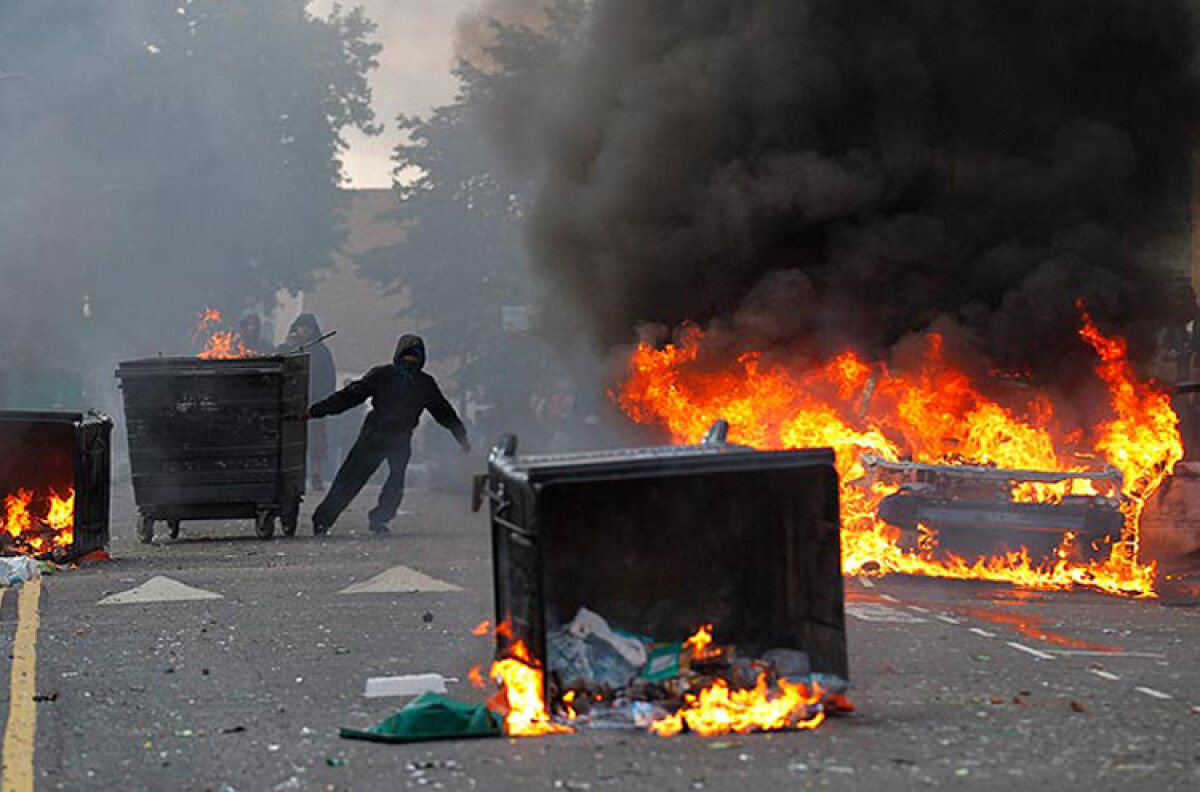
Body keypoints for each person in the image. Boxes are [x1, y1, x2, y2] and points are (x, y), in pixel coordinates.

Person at [306, 334, 470, 535]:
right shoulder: (382, 375)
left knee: (395, 480)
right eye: (407, 357)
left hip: (400, 438)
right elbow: (349, 396)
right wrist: (315, 411)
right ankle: (323, 519)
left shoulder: (424, 384)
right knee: (350, 478)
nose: (409, 363)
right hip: (374, 435)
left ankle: (380, 518)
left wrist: (461, 436)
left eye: (414, 358)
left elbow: (444, 412)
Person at [281, 313, 337, 490]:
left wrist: (324, 399)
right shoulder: (289, 348)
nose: (304, 330)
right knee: (289, 440)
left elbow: (329, 377)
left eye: (308, 327)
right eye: (301, 327)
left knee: (316, 442)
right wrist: (287, 346)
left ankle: (316, 474)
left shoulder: (321, 352)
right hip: (291, 402)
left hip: (314, 402)